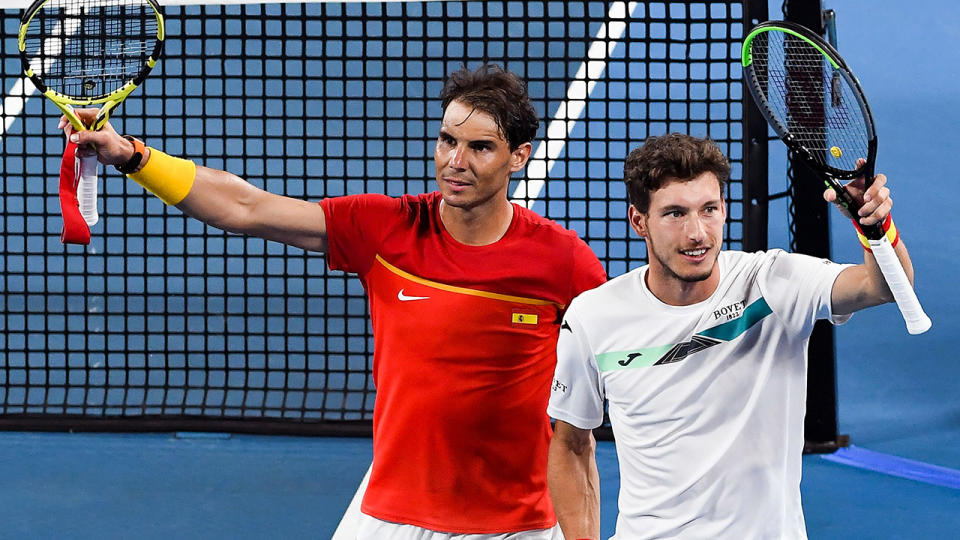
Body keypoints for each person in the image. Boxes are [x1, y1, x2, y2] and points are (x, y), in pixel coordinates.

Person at [62, 64, 607, 538]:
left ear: (519, 157)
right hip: (392, 513)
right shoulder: (384, 229)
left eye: (480, 147)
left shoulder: (563, 263)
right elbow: (245, 207)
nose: (455, 161)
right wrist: (130, 155)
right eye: (447, 140)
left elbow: (583, 431)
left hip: (518, 523)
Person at [546, 133, 915, 540]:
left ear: (724, 209)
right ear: (639, 222)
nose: (697, 233)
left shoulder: (773, 285)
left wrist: (876, 228)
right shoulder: (594, 318)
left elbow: (882, 286)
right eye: (674, 214)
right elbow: (571, 445)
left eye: (708, 210)